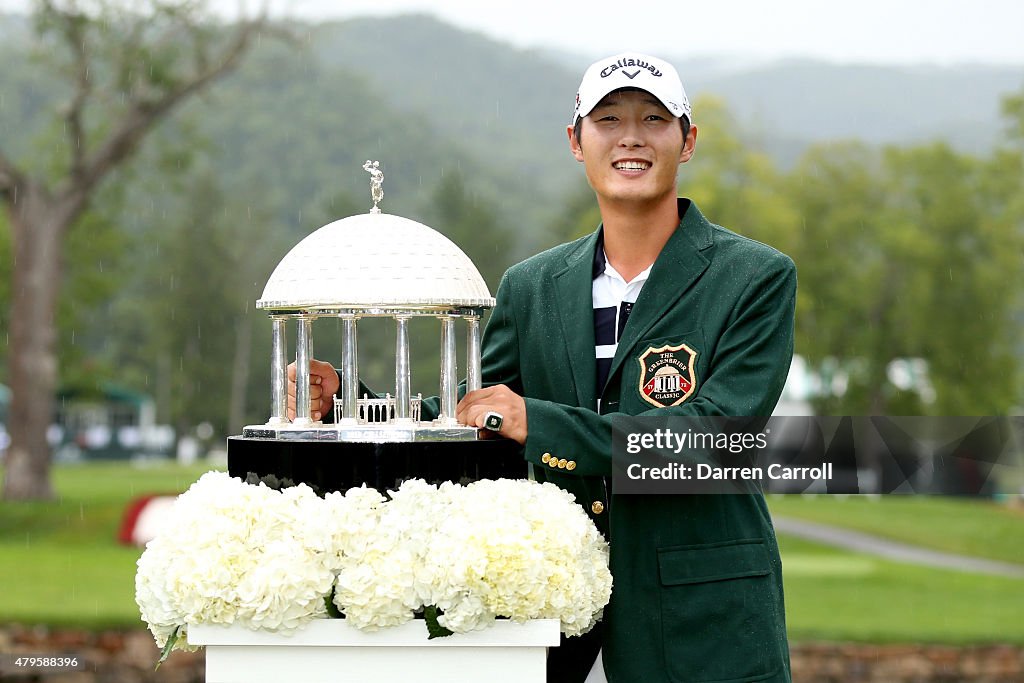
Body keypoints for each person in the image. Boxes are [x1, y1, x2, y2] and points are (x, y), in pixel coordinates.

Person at [291, 52, 795, 683]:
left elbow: (716, 442)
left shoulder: (755, 276)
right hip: (550, 620)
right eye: (608, 119)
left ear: (686, 140)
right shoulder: (530, 286)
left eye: (654, 118)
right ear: (575, 142)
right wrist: (348, 405)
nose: (631, 136)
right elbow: (481, 421)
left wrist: (544, 425)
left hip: (703, 617)